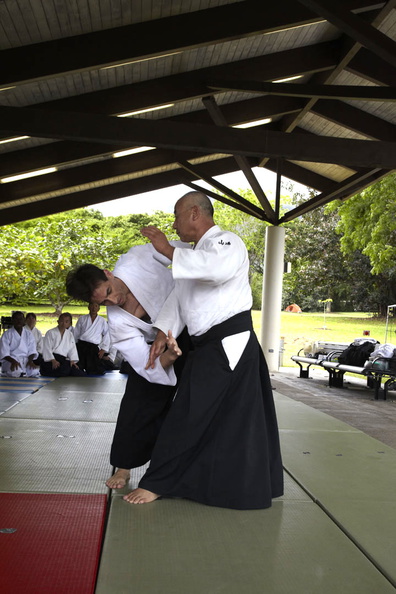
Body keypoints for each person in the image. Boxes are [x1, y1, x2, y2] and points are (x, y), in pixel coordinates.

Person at [125, 190, 284, 510]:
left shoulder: (226, 242)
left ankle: (158, 481)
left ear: (195, 213)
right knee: (218, 417)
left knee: (188, 410)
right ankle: (205, 482)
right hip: (209, 345)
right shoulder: (194, 256)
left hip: (228, 342)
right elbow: (180, 300)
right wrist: (162, 330)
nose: (174, 223)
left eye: (177, 215)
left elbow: (215, 270)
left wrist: (169, 250)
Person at [65, 242, 190, 490]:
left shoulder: (135, 259)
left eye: (110, 290)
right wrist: (170, 358)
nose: (115, 299)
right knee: (136, 403)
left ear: (108, 274)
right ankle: (124, 467)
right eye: (106, 301)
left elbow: (180, 252)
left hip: (191, 326)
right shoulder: (118, 322)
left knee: (197, 400)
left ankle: (192, 464)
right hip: (156, 350)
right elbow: (145, 365)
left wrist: (181, 248)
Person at [40, 312, 86, 377]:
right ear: (58, 321)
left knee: (79, 372)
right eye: (62, 321)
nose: (64, 323)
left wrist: (72, 360)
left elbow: (72, 348)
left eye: (66, 321)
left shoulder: (69, 334)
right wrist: (53, 360)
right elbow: (47, 348)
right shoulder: (50, 332)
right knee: (64, 370)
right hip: (51, 360)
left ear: (70, 323)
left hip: (63, 360)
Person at [73, 302, 114, 374]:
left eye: (96, 306)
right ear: (88, 307)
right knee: (78, 369)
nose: (93, 308)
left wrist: (103, 349)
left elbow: (107, 334)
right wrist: (74, 346)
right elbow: (76, 333)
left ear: (99, 308)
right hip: (81, 346)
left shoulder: (102, 320)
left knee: (95, 370)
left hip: (93, 347)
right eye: (91, 305)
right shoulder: (82, 319)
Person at [0, 311, 40, 377]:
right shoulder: (7, 334)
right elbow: (4, 353)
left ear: (24, 321)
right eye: (16, 319)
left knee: (34, 371)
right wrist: (13, 361)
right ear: (12, 320)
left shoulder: (28, 334)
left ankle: (23, 373)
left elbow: (32, 350)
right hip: (11, 360)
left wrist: (30, 361)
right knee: (15, 372)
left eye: (20, 319)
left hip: (25, 360)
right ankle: (9, 372)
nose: (18, 321)